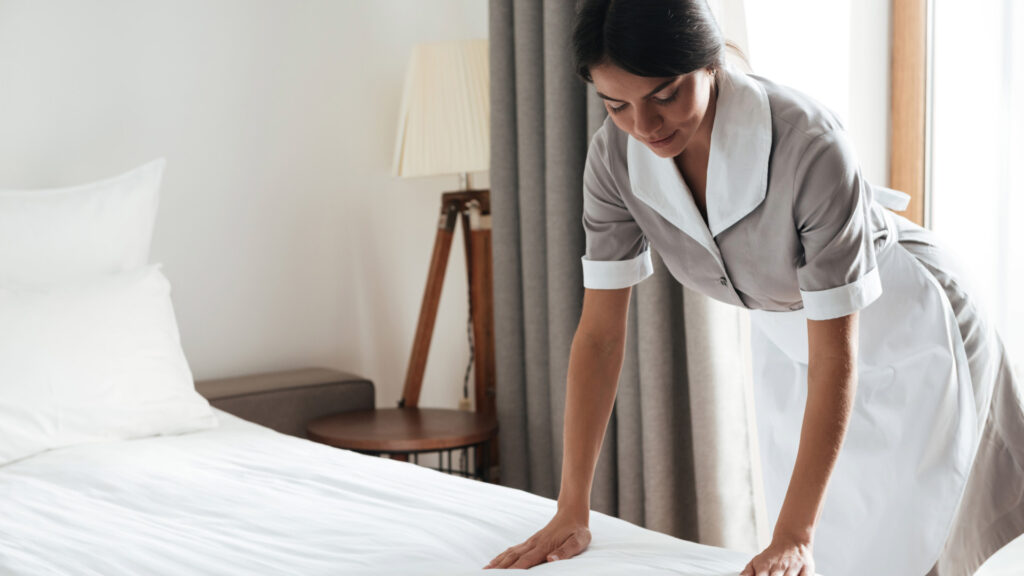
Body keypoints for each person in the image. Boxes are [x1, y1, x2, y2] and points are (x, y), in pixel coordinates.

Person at [483, 1, 1024, 575]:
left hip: (902, 322)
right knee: (839, 546)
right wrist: (572, 509)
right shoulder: (615, 159)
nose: (645, 126)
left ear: (710, 62)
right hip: (788, 333)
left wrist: (793, 534)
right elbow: (599, 337)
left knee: (919, 537)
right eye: (616, 104)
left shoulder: (807, 143)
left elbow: (837, 352)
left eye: (664, 94)